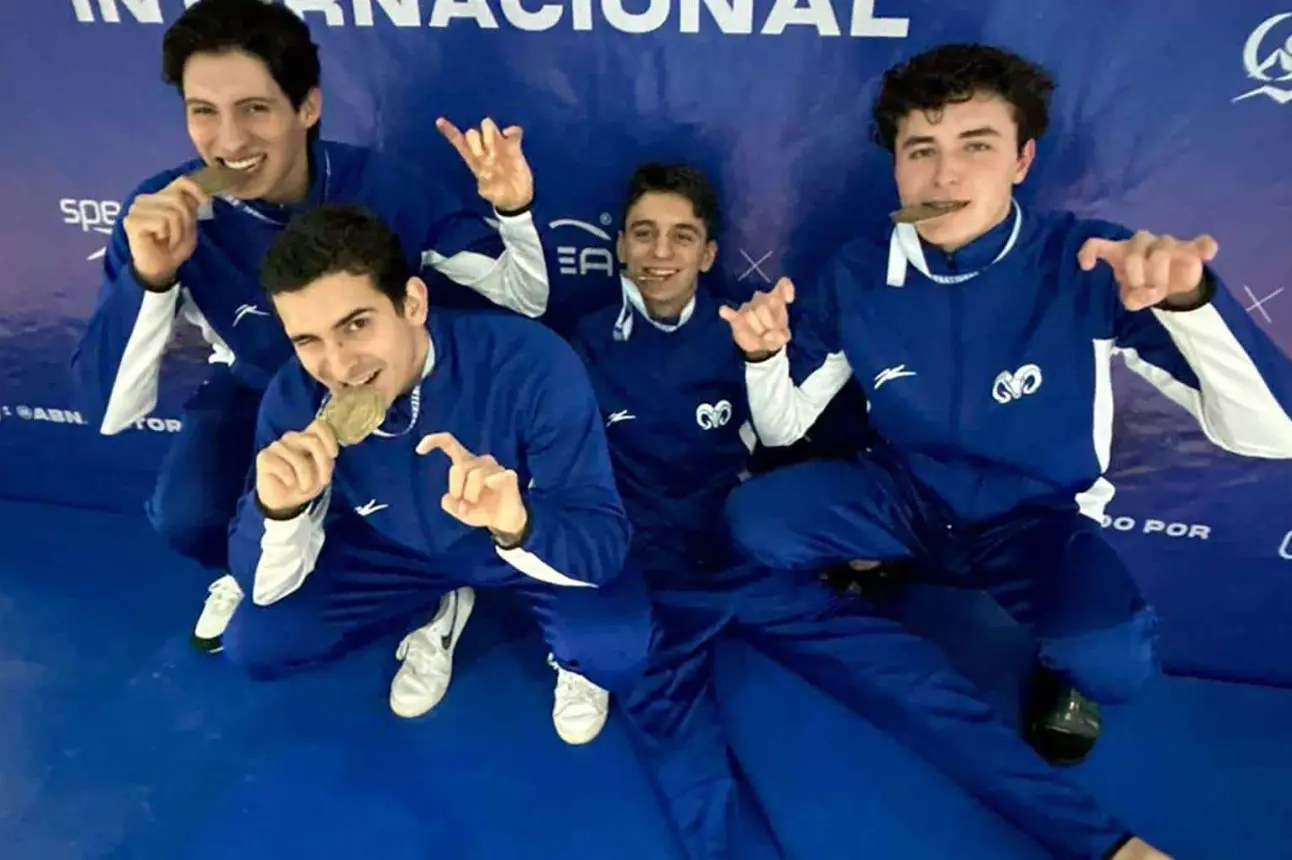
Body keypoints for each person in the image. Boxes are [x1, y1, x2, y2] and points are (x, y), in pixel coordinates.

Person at [565, 161, 1173, 860]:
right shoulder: (581, 345)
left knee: (920, 686)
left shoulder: (753, 326)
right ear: (619, 246)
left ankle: (1107, 844)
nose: (660, 253)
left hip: (751, 563)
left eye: (682, 236)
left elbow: (802, 433)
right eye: (643, 233)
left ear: (708, 252)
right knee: (688, 770)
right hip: (653, 577)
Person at [717, 43, 1292, 765]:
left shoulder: (1089, 261)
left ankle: (1061, 671)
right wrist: (764, 358)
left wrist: (1191, 305)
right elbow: (785, 426)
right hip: (906, 492)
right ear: (896, 167)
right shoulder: (858, 271)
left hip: (1032, 514)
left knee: (1113, 663)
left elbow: (1275, 434)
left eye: (976, 145)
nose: (945, 173)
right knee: (758, 520)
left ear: (1022, 161)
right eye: (920, 149)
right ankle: (875, 562)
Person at [68, 0, 551, 656]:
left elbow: (523, 298)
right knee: (185, 514)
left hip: (383, 391)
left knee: (430, 507)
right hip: (257, 390)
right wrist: (151, 278)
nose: (229, 141)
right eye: (203, 112)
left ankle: (424, 585)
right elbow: (107, 414)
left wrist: (512, 208)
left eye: (255, 109)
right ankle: (258, 564)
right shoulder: (165, 212)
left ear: (308, 108)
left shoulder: (381, 186)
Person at [223, 201, 648, 746]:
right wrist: (277, 513)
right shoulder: (295, 396)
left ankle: (555, 644)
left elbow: (604, 541)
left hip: (515, 544)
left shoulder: (531, 361)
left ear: (413, 302)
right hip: (394, 552)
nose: (339, 364)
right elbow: (257, 584)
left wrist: (519, 522)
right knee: (257, 644)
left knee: (613, 651)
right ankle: (435, 607)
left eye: (356, 325)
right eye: (308, 340)